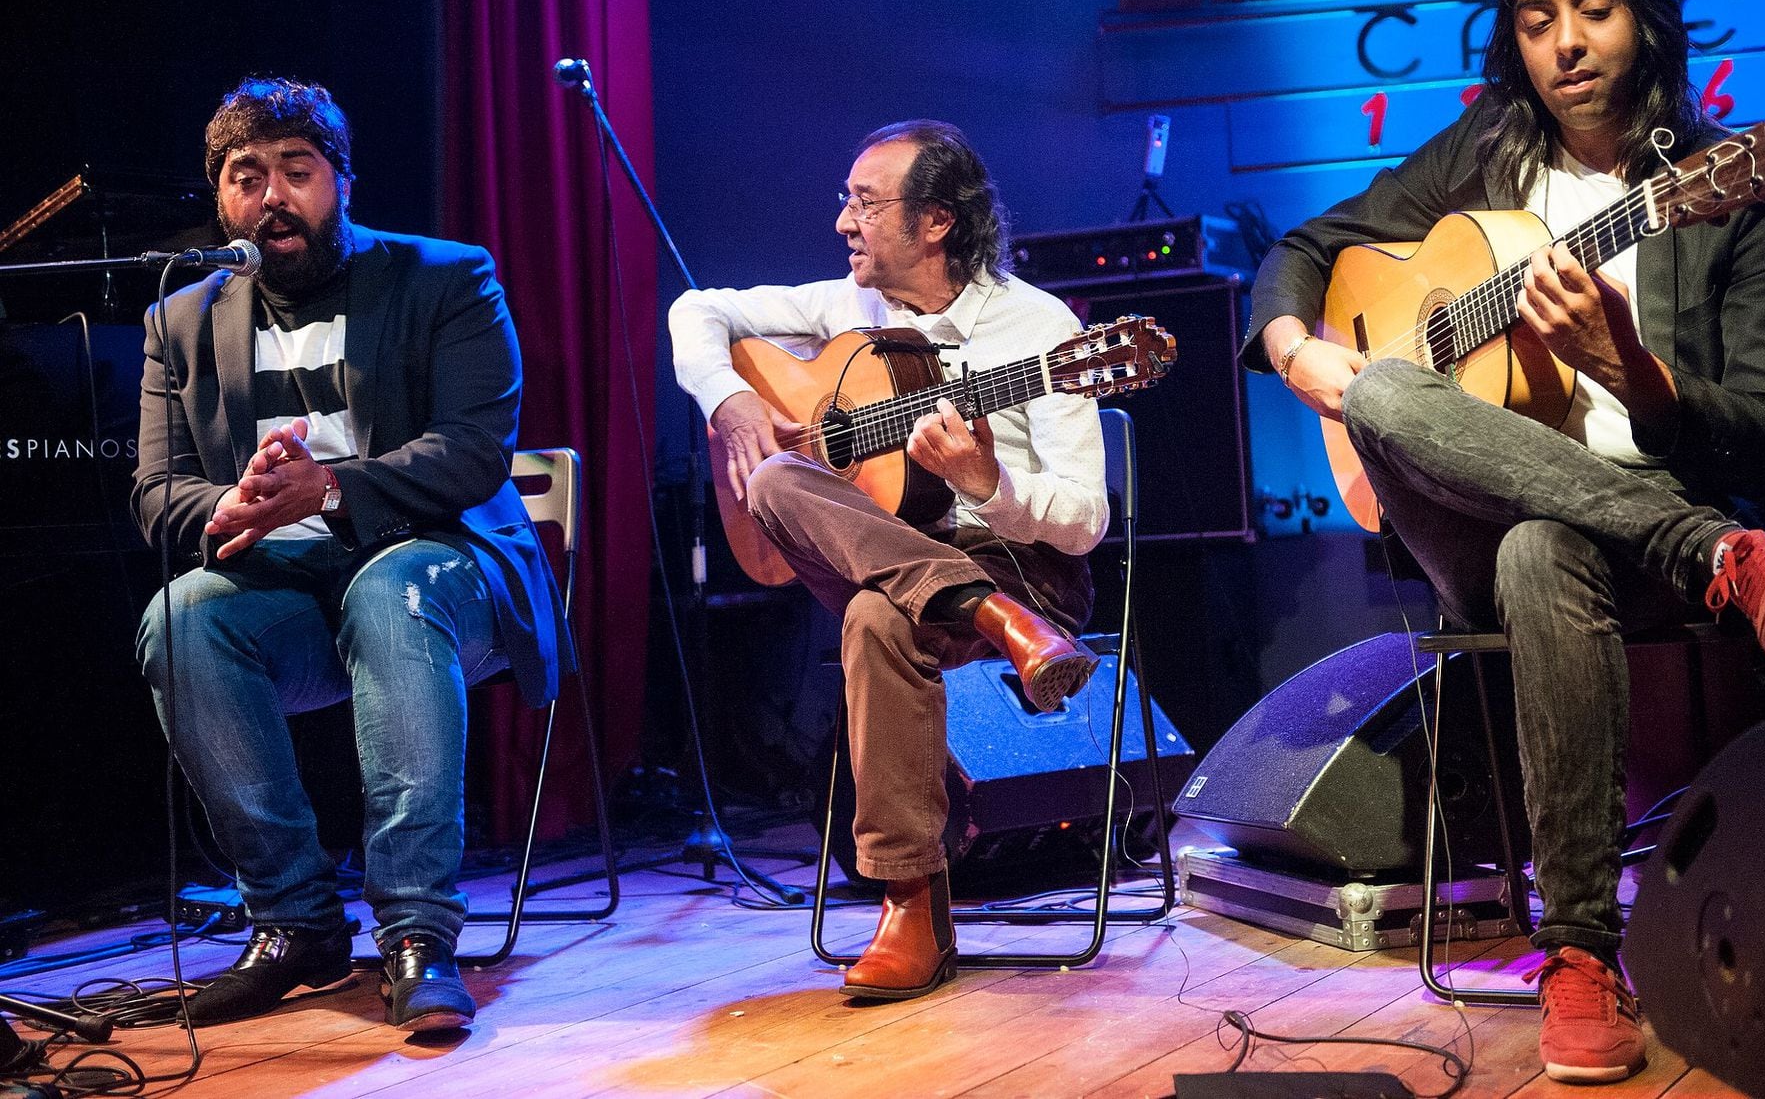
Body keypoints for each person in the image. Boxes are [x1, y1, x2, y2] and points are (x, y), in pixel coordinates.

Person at [1241, 0, 1765, 1083]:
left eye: (1594, 10)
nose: (1565, 43)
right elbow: (1301, 251)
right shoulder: (1486, 154)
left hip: (1618, 516)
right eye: (1536, 19)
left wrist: (1640, 379)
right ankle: (1716, 556)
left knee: (1538, 555)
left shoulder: (1743, 188)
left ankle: (1575, 956)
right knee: (1384, 397)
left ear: (1646, 22)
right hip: (1486, 508)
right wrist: (1297, 350)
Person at [132, 77, 572, 1033]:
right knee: (181, 614)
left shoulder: (447, 278)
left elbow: (471, 449)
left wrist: (328, 490)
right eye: (248, 178)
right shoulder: (184, 320)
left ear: (342, 181)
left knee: (392, 583)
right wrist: (235, 502)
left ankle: (417, 933)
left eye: (299, 171)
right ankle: (294, 920)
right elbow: (159, 494)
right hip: (292, 594)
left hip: (450, 577)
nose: (274, 197)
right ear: (221, 198)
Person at [669, 120, 1108, 1000]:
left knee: (877, 615)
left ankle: (911, 903)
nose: (843, 222)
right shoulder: (845, 308)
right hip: (929, 566)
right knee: (780, 479)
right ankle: (979, 612)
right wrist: (731, 405)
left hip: (1023, 567)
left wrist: (989, 481)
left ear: (936, 221)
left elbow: (1087, 521)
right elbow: (696, 309)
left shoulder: (1042, 330)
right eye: (846, 200)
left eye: (864, 203)